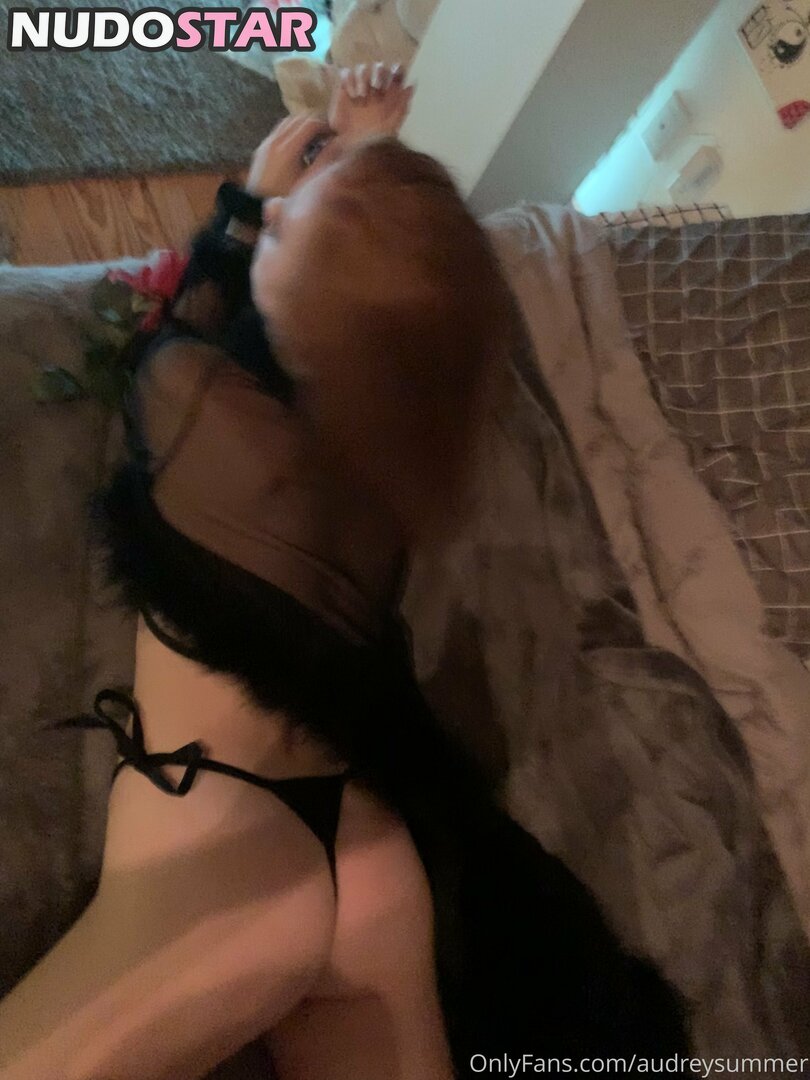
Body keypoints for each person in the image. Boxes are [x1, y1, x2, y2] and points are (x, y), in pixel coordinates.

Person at [0, 67, 688, 1079]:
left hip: (224, 834)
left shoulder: (201, 406)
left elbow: (175, 335)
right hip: (366, 850)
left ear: (314, 325)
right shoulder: (398, 450)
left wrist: (246, 208)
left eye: (292, 236)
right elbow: (376, 313)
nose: (279, 223)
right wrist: (359, 157)